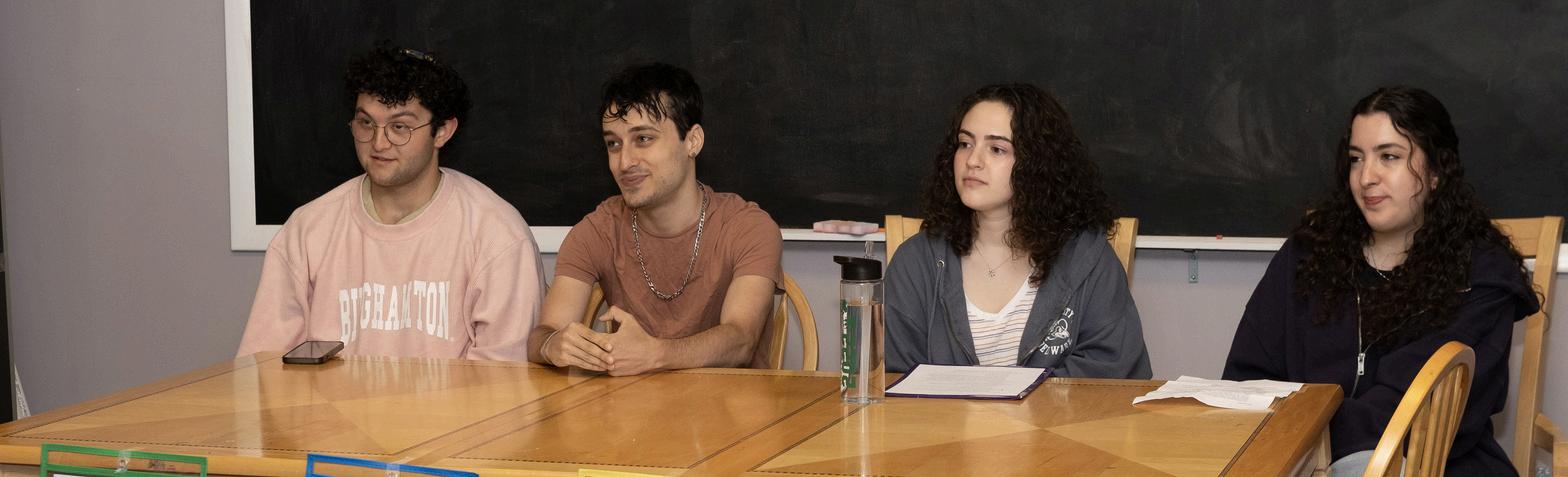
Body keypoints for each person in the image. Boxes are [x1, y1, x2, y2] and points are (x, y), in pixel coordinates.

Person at [1222, 86, 1536, 476]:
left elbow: (1404, 413)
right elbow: (1245, 381)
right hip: (1301, 460)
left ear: (1435, 172)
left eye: (1389, 156)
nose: (1366, 177)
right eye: (1356, 159)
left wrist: (1301, 435)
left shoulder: (1481, 276)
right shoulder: (1307, 256)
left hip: (1437, 466)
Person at [237, 45, 545, 360]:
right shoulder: (307, 230)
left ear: (442, 131)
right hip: (327, 397)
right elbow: (263, 368)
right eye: (366, 123)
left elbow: (505, 379)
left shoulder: (498, 234)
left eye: (400, 127)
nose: (379, 143)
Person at [527, 63, 783, 376]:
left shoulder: (748, 227)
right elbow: (542, 335)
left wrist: (656, 354)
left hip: (732, 404)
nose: (624, 162)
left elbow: (741, 340)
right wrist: (553, 345)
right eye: (613, 144)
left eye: (644, 139)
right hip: (628, 404)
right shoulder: (597, 229)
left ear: (692, 141)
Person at [885, 83, 1151, 378]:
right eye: (965, 144)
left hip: (1061, 412)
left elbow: (1113, 372)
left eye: (997, 149)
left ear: (1038, 163)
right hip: (942, 412)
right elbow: (896, 379)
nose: (972, 161)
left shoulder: (1087, 258)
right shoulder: (915, 261)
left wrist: (1021, 401)